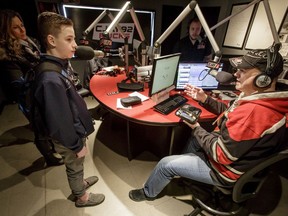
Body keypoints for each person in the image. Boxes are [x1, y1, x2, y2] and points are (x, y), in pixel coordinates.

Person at [129, 46, 288, 202]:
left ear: (263, 79)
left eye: (244, 71)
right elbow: (230, 111)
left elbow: (222, 154)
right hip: (237, 156)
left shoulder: (255, 113)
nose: (236, 74)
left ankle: (148, 192)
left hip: (225, 170)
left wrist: (195, 127)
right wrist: (204, 99)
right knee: (195, 138)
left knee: (165, 164)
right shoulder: (267, 99)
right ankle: (187, 173)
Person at [33, 11, 105, 207]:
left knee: (77, 165)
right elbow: (59, 123)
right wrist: (75, 145)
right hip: (69, 138)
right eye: (69, 39)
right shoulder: (50, 79)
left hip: (75, 131)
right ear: (51, 40)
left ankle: (80, 183)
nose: (75, 44)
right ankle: (81, 197)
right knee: (74, 165)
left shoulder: (60, 66)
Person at [0, 9, 63, 166]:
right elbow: (18, 85)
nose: (22, 30)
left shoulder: (30, 43)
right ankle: (49, 156)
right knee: (41, 128)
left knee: (50, 123)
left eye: (22, 25)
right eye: (16, 27)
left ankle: (55, 146)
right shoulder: (6, 56)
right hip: (30, 97)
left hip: (44, 90)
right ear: (5, 31)